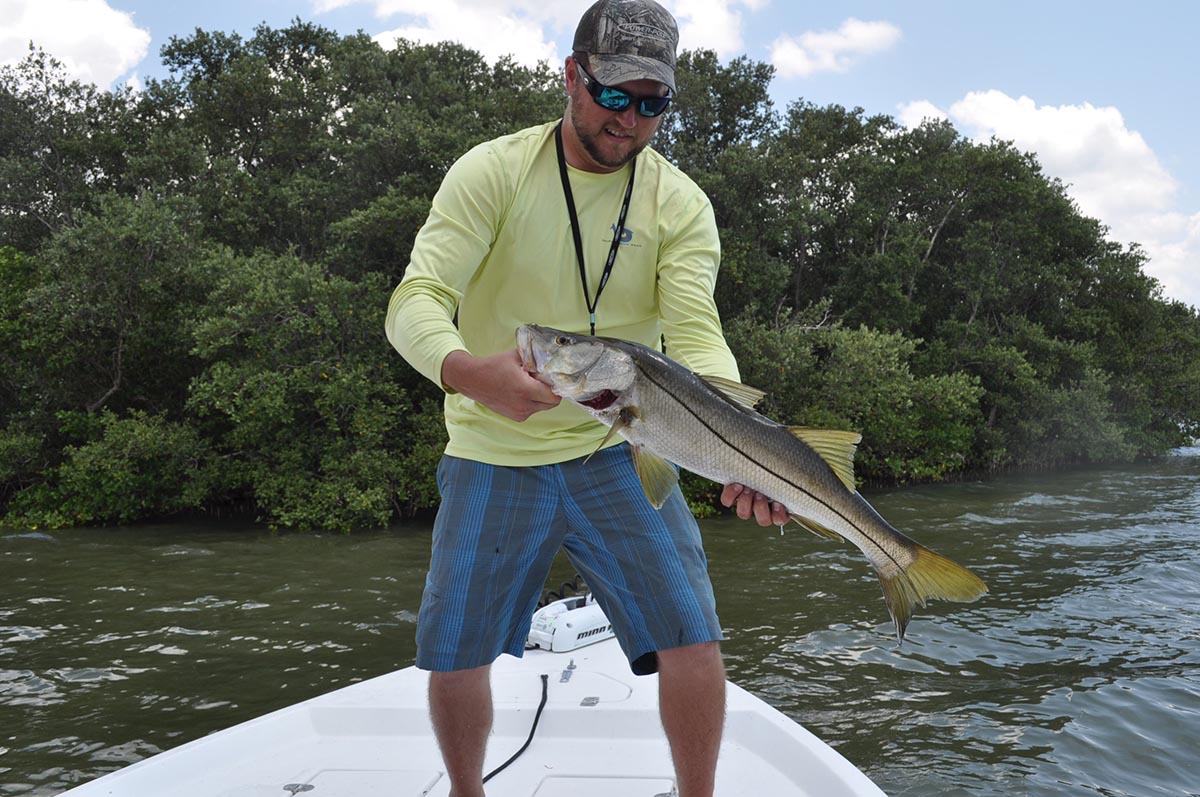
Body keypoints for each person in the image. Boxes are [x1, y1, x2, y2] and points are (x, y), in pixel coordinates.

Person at [385, 1, 786, 794]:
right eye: (612, 94)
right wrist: (470, 372)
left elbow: (696, 339)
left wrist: (745, 449)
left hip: (622, 446)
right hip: (489, 450)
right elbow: (415, 300)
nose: (628, 120)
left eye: (652, 103)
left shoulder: (680, 204)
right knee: (457, 652)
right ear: (571, 76)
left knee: (695, 639)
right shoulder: (492, 171)